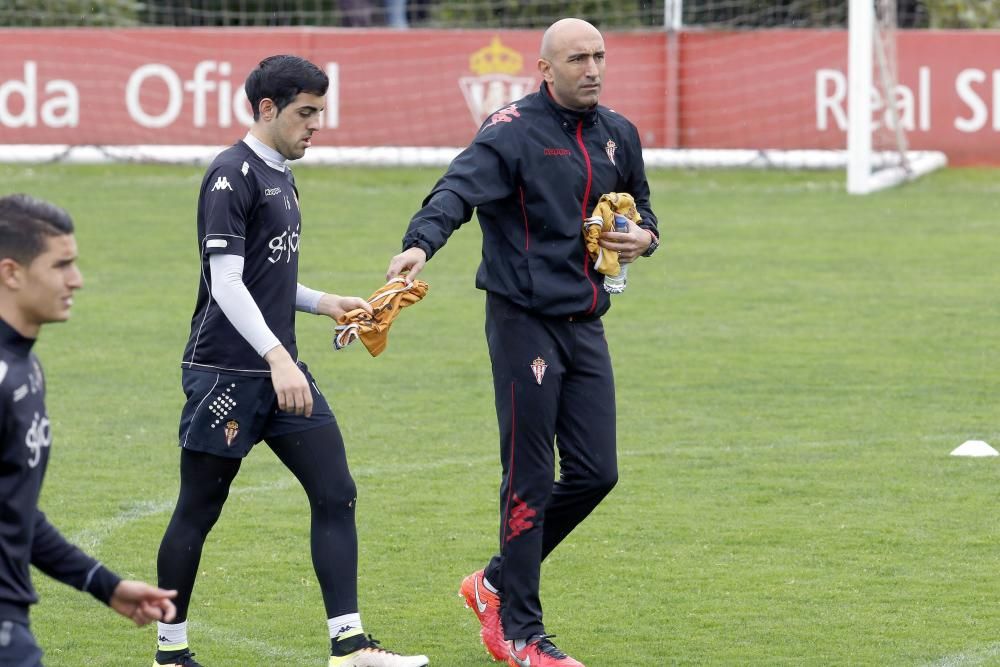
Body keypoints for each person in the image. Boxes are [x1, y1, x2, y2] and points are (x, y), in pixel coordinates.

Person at [385, 18, 660, 667]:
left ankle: (494, 582)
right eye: (576, 58)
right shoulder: (510, 131)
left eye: (598, 56)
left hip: (584, 321)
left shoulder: (619, 133)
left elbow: (644, 212)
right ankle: (522, 633)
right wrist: (420, 242)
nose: (591, 68)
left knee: (597, 472)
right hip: (522, 321)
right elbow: (456, 190)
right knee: (530, 477)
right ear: (545, 69)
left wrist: (645, 239)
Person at [154, 55, 428, 667]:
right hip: (227, 373)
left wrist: (326, 302)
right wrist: (279, 357)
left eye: (321, 112)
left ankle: (350, 646)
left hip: (280, 371)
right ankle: (170, 655)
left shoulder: (281, 175)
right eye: (306, 113)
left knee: (336, 490)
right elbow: (224, 283)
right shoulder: (231, 175)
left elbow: (264, 279)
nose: (317, 125)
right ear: (267, 109)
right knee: (197, 510)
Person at [0, 193, 178, 666]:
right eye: (61, 266)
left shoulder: (25, 368)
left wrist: (105, 585)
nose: (76, 280)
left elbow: (13, 511)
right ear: (12, 273)